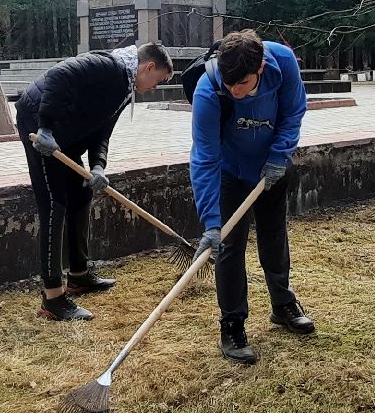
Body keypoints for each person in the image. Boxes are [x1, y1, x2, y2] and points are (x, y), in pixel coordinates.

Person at [17, 42, 174, 321]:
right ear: (149, 67)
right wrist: (45, 126)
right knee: (54, 204)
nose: (154, 87)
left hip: (68, 133)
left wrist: (98, 167)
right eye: (158, 80)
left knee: (81, 194)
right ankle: (53, 298)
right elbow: (57, 76)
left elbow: (103, 130)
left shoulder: (126, 88)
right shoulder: (107, 66)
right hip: (38, 124)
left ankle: (79, 275)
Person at [190, 29, 313, 365]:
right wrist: (211, 222)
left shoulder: (282, 63)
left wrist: (280, 154)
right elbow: (204, 158)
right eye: (229, 84)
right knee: (229, 247)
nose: (234, 90)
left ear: (259, 68)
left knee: (274, 234)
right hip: (231, 172)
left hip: (272, 167)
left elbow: (293, 112)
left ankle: (283, 304)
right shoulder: (209, 90)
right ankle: (232, 325)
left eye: (241, 84)